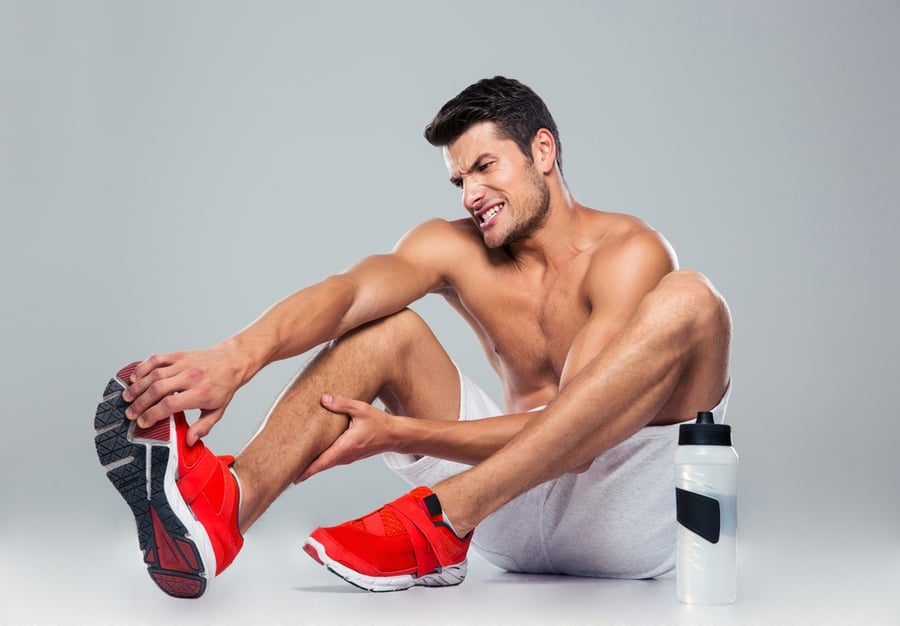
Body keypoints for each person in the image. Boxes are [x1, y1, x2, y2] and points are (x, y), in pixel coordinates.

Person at [93, 76, 731, 598]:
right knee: (385, 329)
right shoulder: (453, 247)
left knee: (693, 299)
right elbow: (346, 295)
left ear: (543, 151)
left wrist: (405, 435)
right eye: (459, 180)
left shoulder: (628, 253)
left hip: (613, 520)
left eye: (485, 167)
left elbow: (582, 438)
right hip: (501, 520)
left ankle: (445, 517)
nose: (472, 193)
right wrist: (239, 356)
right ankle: (221, 513)